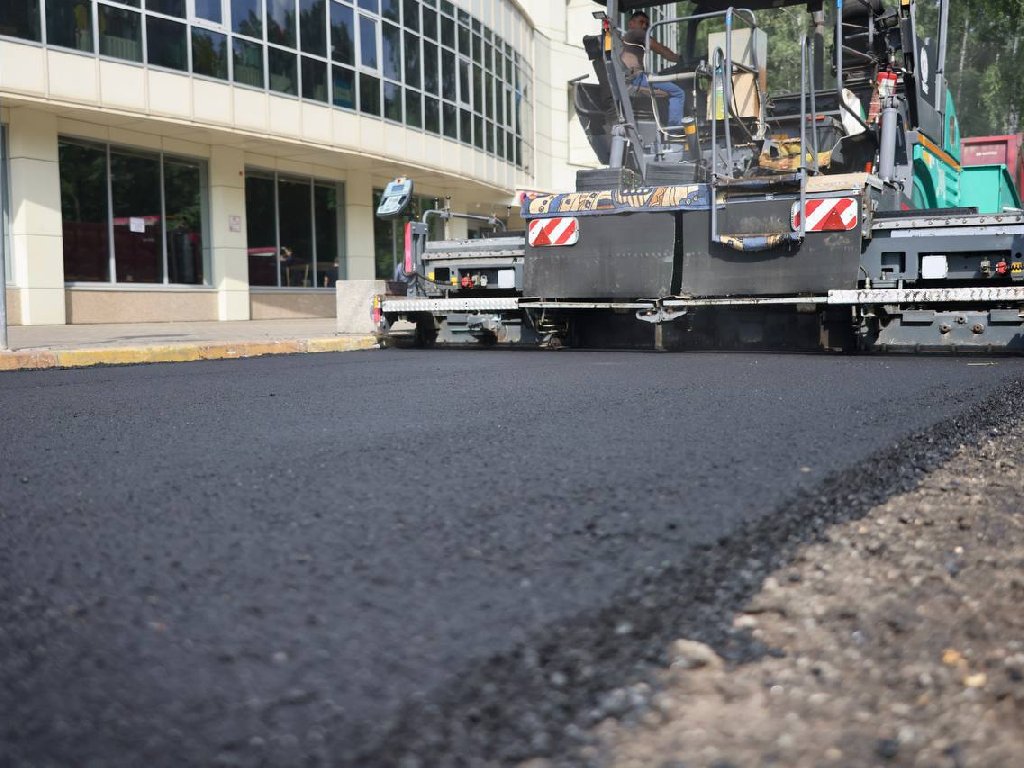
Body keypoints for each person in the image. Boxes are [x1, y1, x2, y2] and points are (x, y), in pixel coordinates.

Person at [621, 10, 686, 131]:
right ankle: (675, 129)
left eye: (647, 24)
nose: (644, 26)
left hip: (633, 78)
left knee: (666, 92)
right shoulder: (635, 33)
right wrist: (680, 59)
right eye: (641, 22)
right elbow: (661, 50)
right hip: (637, 78)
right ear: (631, 23)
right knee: (678, 93)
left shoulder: (627, 39)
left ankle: (664, 126)